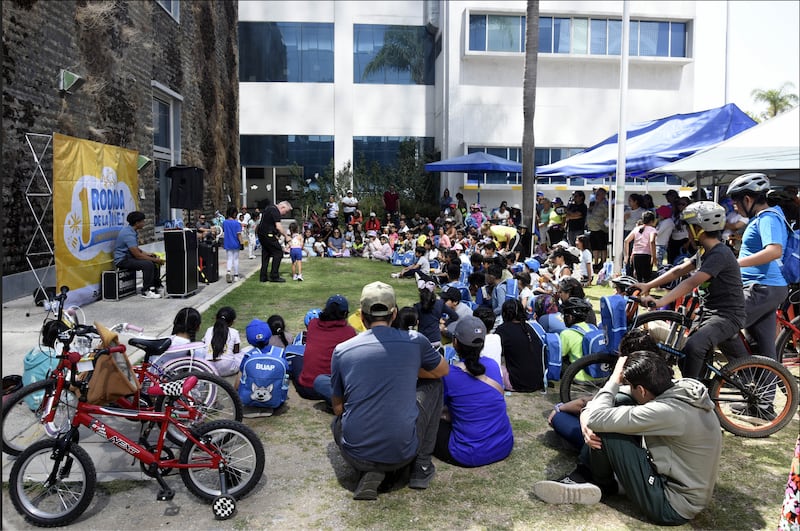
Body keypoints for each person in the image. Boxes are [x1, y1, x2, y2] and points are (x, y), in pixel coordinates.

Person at [534, 351, 722, 527]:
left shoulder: (665, 411)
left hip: (672, 505)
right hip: (682, 486)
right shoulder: (682, 389)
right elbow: (614, 400)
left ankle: (598, 483)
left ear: (641, 389)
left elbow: (596, 419)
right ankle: (611, 482)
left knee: (606, 431)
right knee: (618, 405)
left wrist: (614, 379)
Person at [330, 281, 449, 500]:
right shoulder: (416, 342)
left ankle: (371, 470)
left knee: (336, 423)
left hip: (357, 454)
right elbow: (442, 370)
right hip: (403, 452)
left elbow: (338, 409)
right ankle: (421, 467)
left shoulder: (342, 351)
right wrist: (408, 369)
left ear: (362, 316)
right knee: (435, 384)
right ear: (394, 314)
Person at [635, 201, 745, 380]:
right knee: (685, 355)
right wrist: (648, 285)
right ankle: (698, 389)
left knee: (694, 346)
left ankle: (690, 395)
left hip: (726, 316)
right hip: (708, 313)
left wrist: (661, 302)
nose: (686, 233)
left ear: (698, 229)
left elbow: (691, 282)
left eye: (688, 228)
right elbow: (678, 270)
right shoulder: (704, 252)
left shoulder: (720, 254)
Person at [546, 328, 659, 451]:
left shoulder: (628, 390)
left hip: (609, 445)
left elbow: (585, 403)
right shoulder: (662, 380)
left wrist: (559, 408)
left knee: (560, 416)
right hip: (636, 442)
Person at [720, 173, 789, 364]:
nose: (734, 206)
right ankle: (763, 392)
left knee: (720, 326)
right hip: (764, 287)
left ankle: (744, 374)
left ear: (748, 199)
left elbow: (774, 251)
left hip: (762, 287)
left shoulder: (768, 218)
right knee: (762, 348)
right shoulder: (763, 217)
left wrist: (736, 263)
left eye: (735, 202)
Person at [435, 316, 514, 467]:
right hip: (503, 445)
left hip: (468, 453)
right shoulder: (492, 365)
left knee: (428, 424)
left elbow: (437, 408)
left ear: (455, 343)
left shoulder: (448, 374)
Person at [296, 295, 356, 405]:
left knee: (297, 357)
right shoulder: (349, 332)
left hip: (306, 389)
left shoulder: (313, 324)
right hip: (332, 390)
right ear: (344, 314)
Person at [495, 299, 545, 392]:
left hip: (517, 383)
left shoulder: (503, 329)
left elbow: (496, 353)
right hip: (538, 381)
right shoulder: (531, 327)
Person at [113, 210, 164, 299]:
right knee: (148, 264)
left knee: (153, 257)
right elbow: (137, 255)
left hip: (130, 257)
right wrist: (155, 260)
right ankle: (146, 290)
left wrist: (148, 254)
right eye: (143, 221)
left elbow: (136, 249)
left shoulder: (132, 231)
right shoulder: (128, 234)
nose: (144, 223)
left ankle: (157, 286)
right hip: (123, 260)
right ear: (137, 223)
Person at [413, 280, 459, 348]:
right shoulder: (440, 304)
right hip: (436, 340)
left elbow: (413, 322)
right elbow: (455, 316)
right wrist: (444, 324)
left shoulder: (417, 306)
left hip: (422, 341)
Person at [257, 201, 293, 283]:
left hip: (262, 234)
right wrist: (287, 237)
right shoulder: (275, 211)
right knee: (278, 252)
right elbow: (279, 226)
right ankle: (274, 276)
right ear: (282, 207)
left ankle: (263, 276)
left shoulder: (269, 208)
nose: (285, 214)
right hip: (268, 234)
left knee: (266, 254)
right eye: (286, 211)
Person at [202, 306, 242, 377]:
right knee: (243, 354)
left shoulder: (209, 330)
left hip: (209, 368)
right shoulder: (234, 332)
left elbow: (204, 345)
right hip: (228, 368)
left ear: (216, 319)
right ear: (232, 322)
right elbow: (236, 351)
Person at [623, 211, 657, 283]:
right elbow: (652, 241)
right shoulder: (652, 230)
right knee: (647, 277)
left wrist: (626, 256)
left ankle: (638, 293)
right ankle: (646, 293)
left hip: (636, 255)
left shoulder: (636, 229)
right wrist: (653, 256)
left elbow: (626, 241)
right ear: (652, 221)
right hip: (646, 255)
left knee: (638, 277)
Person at [586, 187, 609, 267]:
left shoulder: (606, 204)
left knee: (602, 247)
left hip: (601, 229)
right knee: (594, 247)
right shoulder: (594, 203)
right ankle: (595, 262)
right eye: (596, 194)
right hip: (593, 228)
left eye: (598, 194)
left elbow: (607, 216)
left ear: (603, 195)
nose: (596, 196)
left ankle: (603, 262)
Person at [221, 206, 243, 283]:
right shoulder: (237, 223)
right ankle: (236, 275)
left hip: (227, 242)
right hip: (235, 243)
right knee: (236, 259)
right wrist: (241, 243)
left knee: (229, 258)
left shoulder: (224, 222)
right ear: (234, 214)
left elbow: (223, 231)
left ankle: (228, 271)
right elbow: (239, 234)